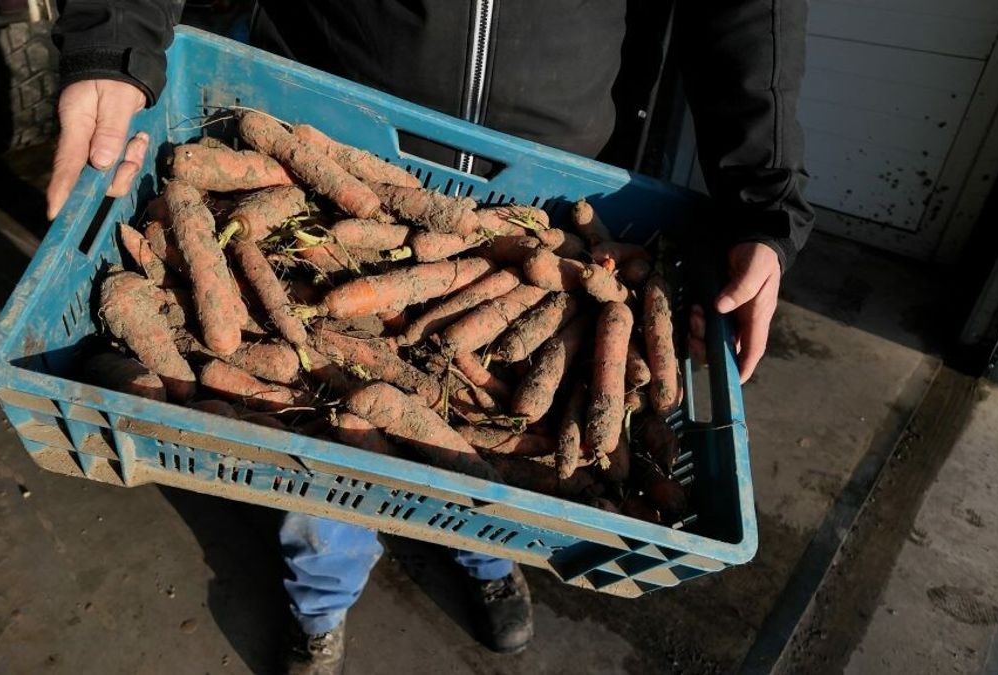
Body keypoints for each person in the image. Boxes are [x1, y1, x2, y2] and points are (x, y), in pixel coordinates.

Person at [46, 2, 812, 673]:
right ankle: (320, 612)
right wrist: (112, 39)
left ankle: (485, 555)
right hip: (333, 101)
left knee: (482, 476)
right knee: (322, 469)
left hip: (550, 160)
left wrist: (761, 196)